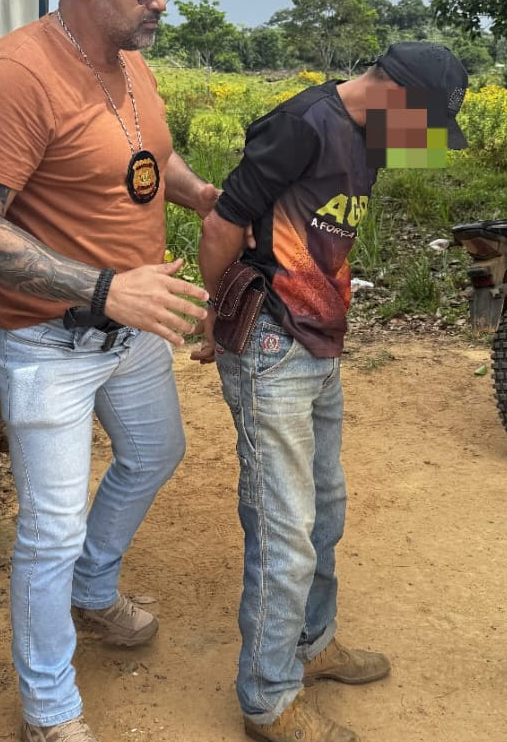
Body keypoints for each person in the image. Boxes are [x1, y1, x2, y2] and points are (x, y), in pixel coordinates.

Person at [0, 0, 222, 742]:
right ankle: (50, 708)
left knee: (154, 451)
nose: (160, 3)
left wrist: (204, 196)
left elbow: (153, 155)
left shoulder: (132, 61)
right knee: (48, 529)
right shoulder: (16, 74)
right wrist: (102, 290)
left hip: (130, 324)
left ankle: (93, 592)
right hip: (50, 340)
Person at [193, 43, 469, 742]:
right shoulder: (300, 124)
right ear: (393, 94)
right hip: (270, 346)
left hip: (321, 344)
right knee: (282, 529)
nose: (426, 145)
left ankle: (313, 644)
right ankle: (268, 697)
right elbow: (224, 221)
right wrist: (212, 309)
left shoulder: (372, 137)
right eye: (427, 125)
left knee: (326, 511)